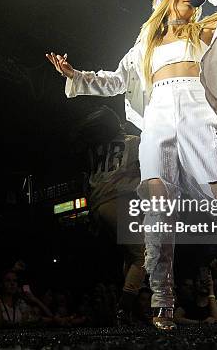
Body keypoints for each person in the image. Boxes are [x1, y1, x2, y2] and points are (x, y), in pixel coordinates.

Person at [47, 0, 217, 329]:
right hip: (157, 116)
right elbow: (115, 80)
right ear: (166, 0)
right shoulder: (146, 42)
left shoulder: (205, 28)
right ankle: (162, 304)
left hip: (196, 111)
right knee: (157, 210)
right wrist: (75, 75)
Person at [71, 105, 146, 324]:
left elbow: (86, 181)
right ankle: (123, 310)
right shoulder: (134, 142)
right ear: (118, 125)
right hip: (119, 201)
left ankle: (127, 310)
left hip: (99, 205)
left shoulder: (95, 149)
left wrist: (91, 213)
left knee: (129, 256)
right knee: (143, 256)